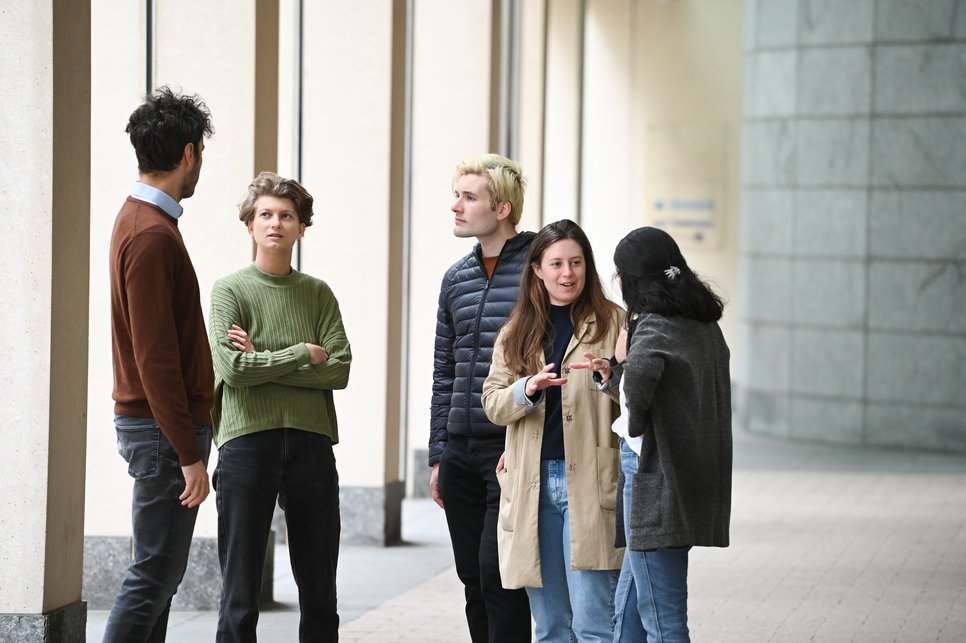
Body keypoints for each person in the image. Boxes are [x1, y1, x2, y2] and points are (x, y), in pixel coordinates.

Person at [208, 171, 351, 642]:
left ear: (301, 228)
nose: (275, 223)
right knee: (240, 592)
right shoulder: (229, 290)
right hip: (246, 443)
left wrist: (262, 358)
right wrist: (300, 352)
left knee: (320, 593)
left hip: (311, 445)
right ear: (249, 224)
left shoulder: (318, 293)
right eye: (265, 215)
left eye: (286, 216)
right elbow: (233, 370)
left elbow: (339, 370)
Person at [105, 86, 214, 642]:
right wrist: (188, 453)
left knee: (162, 575)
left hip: (156, 426)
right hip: (160, 429)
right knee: (154, 573)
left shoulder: (141, 221)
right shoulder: (150, 234)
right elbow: (154, 358)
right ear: (189, 154)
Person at [481, 219, 624, 643]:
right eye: (557, 263)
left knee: (594, 625)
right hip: (532, 487)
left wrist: (610, 377)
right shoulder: (517, 331)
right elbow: (492, 402)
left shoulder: (613, 322)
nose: (568, 273)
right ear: (537, 271)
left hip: (591, 483)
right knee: (550, 628)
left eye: (576, 262)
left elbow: (640, 401)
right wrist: (527, 389)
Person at [429, 154, 534, 642]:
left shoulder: (538, 270)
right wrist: (437, 453)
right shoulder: (456, 278)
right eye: (457, 195)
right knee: (472, 575)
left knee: (500, 575)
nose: (456, 206)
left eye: (469, 197)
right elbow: (444, 369)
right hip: (460, 451)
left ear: (504, 208)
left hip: (510, 446)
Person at [610, 226, 732, 642]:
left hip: (655, 479)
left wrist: (632, 422)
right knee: (628, 614)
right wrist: (613, 374)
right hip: (686, 478)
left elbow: (640, 378)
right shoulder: (702, 324)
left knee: (663, 621)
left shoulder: (654, 324)